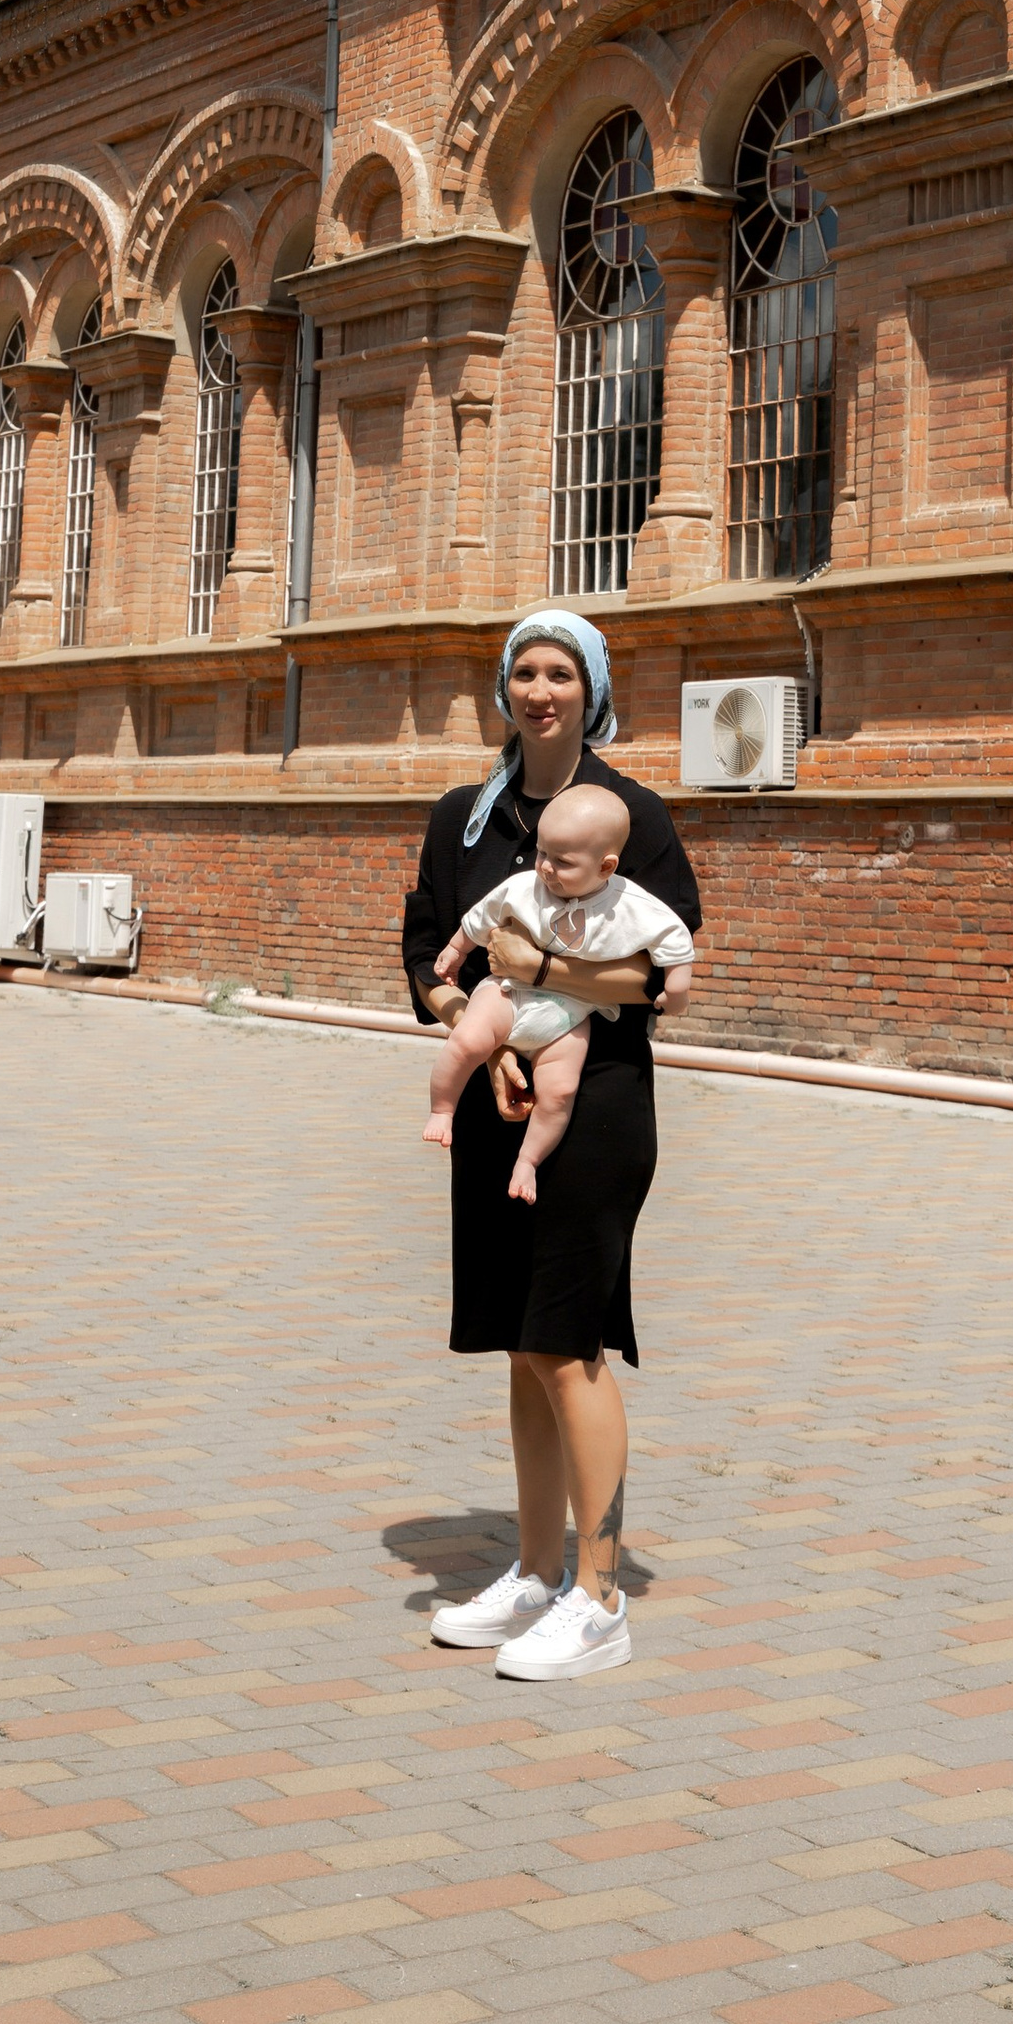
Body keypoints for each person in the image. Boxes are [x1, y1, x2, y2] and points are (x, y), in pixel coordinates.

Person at [402, 609, 700, 1683]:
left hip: (600, 1107)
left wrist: (531, 970)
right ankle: (533, 1572)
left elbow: (652, 983)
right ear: (503, 689)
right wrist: (479, 1044)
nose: (540, 691)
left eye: (560, 674)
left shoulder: (634, 817)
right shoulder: (461, 822)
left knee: (570, 1339)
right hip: (497, 1101)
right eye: (524, 672)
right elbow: (426, 958)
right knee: (520, 1348)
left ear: (592, 690)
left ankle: (599, 1594)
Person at [423, 784, 696, 1203]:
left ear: (606, 867)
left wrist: (676, 991)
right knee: (469, 1040)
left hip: (571, 1015)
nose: (546, 868)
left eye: (563, 861)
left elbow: (674, 940)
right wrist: (455, 953)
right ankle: (443, 1108)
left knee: (559, 1091)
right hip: (508, 992)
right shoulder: (523, 888)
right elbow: (480, 919)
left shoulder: (630, 905)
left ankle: (528, 1160)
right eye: (542, 853)